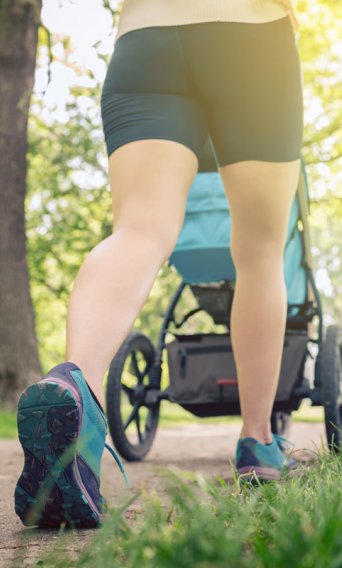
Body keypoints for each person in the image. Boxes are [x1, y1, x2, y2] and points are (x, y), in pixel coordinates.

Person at [15, 0, 303, 528]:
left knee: (138, 230)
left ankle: (77, 389)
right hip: (250, 36)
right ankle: (259, 442)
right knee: (260, 251)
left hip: (144, 40)